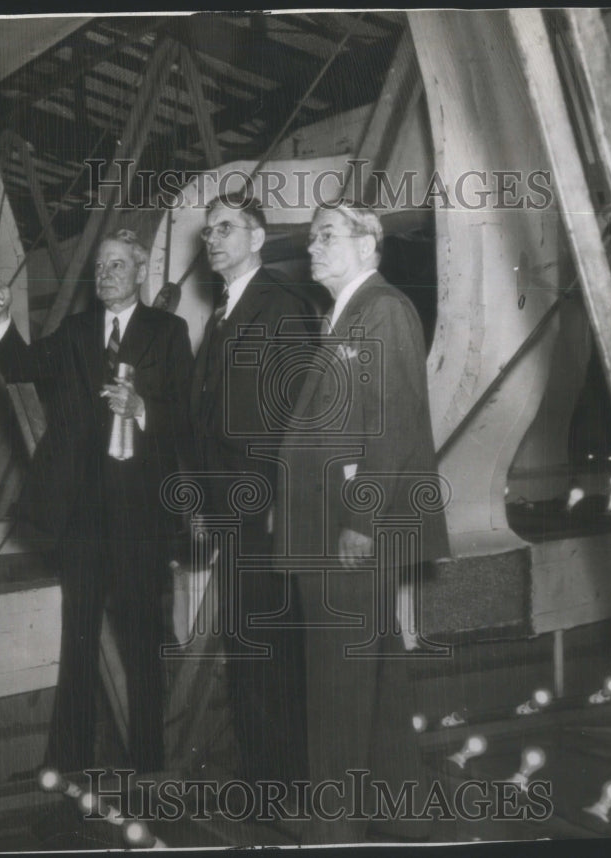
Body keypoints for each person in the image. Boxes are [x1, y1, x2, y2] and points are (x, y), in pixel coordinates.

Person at [0, 228, 194, 775]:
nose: (105, 275)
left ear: (140, 273)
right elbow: (18, 365)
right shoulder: (75, 333)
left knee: (144, 643)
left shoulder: (169, 333)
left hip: (143, 518)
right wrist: (1, 319)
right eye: (100, 267)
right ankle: (70, 763)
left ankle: (148, 766)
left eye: (117, 266)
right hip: (84, 521)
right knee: (78, 642)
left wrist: (143, 406)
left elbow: (188, 418)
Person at [275, 201, 450, 843]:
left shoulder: (384, 311)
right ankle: (400, 809)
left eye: (327, 236)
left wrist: (361, 521)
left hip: (346, 533)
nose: (312, 248)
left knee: (337, 683)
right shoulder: (344, 317)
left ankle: (334, 827)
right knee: (372, 674)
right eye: (312, 238)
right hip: (330, 528)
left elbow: (393, 423)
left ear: (367, 244)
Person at [189, 194, 314, 787]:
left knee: (269, 646)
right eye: (209, 230)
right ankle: (264, 771)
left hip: (264, 509)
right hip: (231, 512)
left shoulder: (281, 306)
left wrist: (277, 505)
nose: (213, 239)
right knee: (248, 644)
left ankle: (281, 780)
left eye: (226, 228)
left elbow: (302, 417)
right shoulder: (223, 314)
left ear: (258, 238)